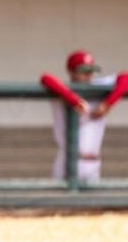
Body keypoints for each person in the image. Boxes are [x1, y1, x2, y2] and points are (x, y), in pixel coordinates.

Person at [40, 50, 128, 182]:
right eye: (84, 71)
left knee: (91, 202)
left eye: (91, 70)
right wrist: (74, 101)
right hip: (67, 160)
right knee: (60, 201)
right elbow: (46, 78)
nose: (89, 75)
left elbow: (125, 78)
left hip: (93, 161)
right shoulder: (63, 90)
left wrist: (107, 104)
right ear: (72, 72)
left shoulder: (99, 87)